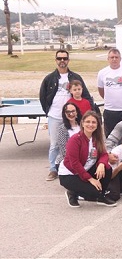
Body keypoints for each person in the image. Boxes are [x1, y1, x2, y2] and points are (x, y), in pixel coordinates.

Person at [40, 49, 93, 182]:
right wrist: (48, 111)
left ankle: (75, 166)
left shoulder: (75, 77)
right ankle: (53, 169)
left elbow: (85, 94)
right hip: (55, 116)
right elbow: (42, 96)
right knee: (54, 145)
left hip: (72, 117)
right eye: (59, 58)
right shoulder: (49, 78)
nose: (62, 61)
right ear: (56, 60)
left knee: (75, 143)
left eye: (64, 58)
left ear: (68, 60)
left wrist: (92, 111)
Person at [58, 111, 116, 207]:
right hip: (70, 174)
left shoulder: (97, 138)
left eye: (94, 122)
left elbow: (104, 154)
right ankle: (72, 192)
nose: (90, 124)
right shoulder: (75, 139)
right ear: (82, 123)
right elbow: (75, 164)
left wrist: (101, 164)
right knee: (93, 193)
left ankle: (101, 197)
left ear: (97, 125)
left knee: (107, 168)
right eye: (87, 122)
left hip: (85, 169)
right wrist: (90, 179)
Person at [97, 48, 122, 137]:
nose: (114, 59)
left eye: (116, 57)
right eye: (112, 57)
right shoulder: (102, 73)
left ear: (120, 59)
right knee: (110, 137)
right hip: (110, 111)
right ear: (108, 59)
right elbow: (101, 90)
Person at [54, 102, 83, 169]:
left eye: (73, 111)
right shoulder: (62, 129)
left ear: (77, 112)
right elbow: (64, 151)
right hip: (67, 161)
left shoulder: (83, 126)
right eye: (68, 112)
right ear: (64, 114)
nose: (71, 114)